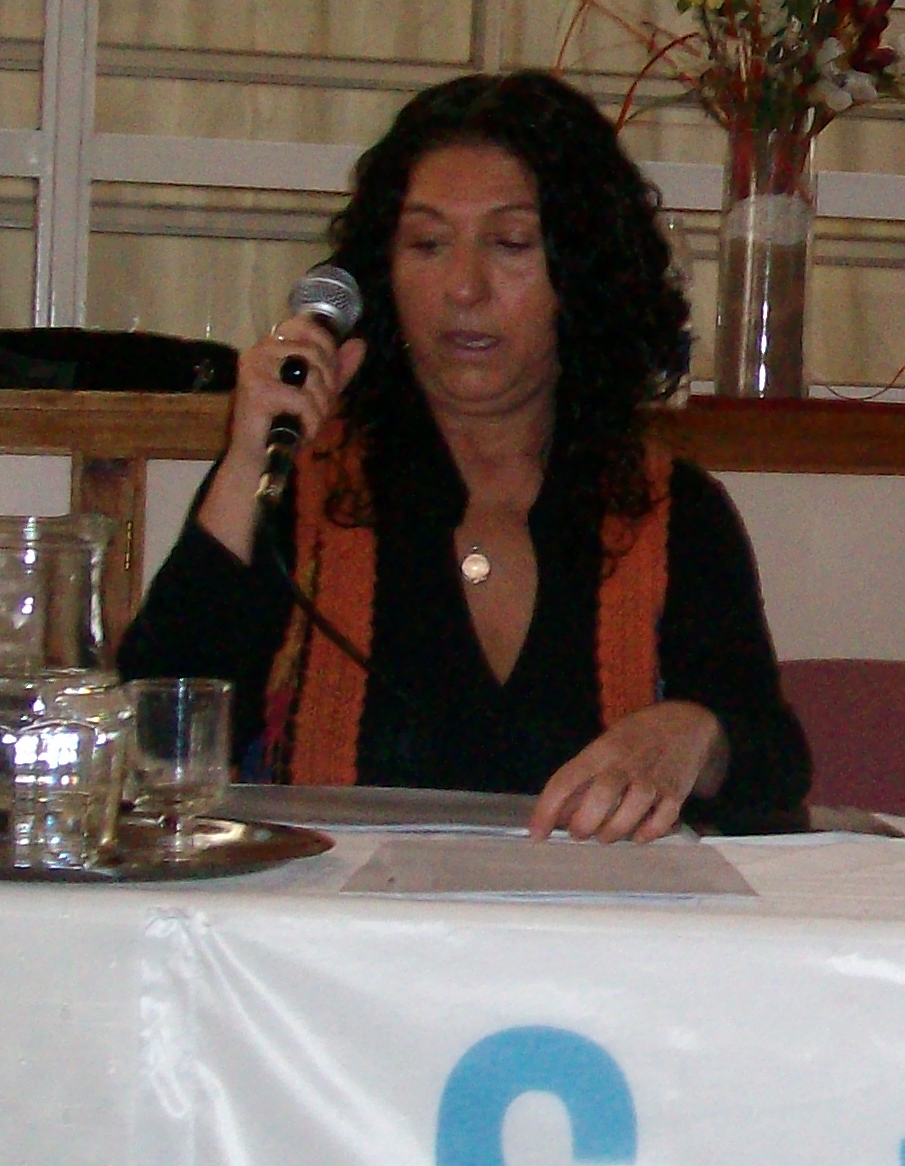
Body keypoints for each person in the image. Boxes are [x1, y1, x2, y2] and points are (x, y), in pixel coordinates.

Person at [118, 72, 810, 840]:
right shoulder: (297, 480)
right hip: (332, 916)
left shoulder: (669, 507)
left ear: (581, 273)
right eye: (428, 244)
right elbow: (149, 746)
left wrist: (694, 734)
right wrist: (248, 457)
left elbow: (772, 764)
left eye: (510, 244)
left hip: (586, 918)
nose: (464, 288)